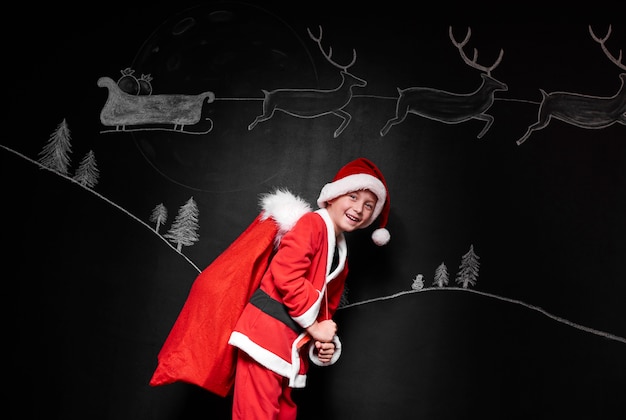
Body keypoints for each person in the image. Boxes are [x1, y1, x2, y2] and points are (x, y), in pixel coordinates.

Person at [149, 157, 391, 420]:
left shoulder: (340, 258)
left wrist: (323, 344)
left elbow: (325, 312)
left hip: (289, 351)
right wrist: (315, 328)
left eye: (369, 205)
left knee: (284, 414)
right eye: (353, 196)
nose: (359, 208)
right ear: (332, 196)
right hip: (264, 339)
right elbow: (285, 274)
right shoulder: (311, 225)